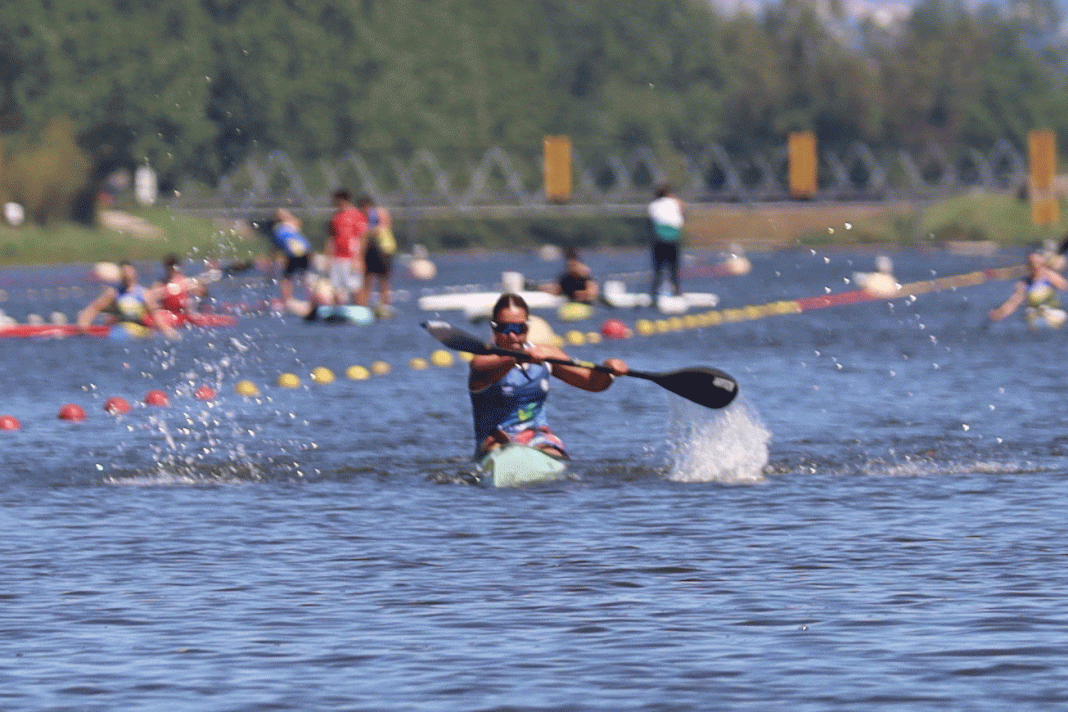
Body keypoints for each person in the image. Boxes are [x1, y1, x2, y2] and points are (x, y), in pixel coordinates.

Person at [468, 293, 628, 459]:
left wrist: (609, 370)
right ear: (494, 328)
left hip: (537, 438)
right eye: (504, 328)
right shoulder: (483, 360)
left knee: (553, 452)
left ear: (527, 327)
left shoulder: (546, 354)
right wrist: (517, 357)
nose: (512, 335)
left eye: (518, 328)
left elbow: (593, 383)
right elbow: (479, 368)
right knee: (501, 448)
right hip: (496, 443)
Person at [77, 260, 180, 339]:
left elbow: (156, 317)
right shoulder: (113, 293)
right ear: (121, 275)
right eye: (124, 272)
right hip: (119, 331)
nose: (127, 275)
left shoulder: (145, 294)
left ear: (134, 273)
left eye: (129, 272)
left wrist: (169, 332)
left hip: (139, 333)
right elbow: (94, 308)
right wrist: (83, 325)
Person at [988, 251, 1068, 328]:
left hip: (1054, 315)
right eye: (1032, 264)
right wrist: (1000, 313)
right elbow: (1013, 303)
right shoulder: (1024, 284)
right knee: (1030, 316)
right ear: (1029, 266)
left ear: (1042, 264)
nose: (1036, 266)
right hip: (1037, 318)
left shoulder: (1049, 276)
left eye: (1038, 263)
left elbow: (1065, 286)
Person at [355, 195, 396, 312]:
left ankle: (384, 305)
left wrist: (366, 233)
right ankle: (364, 307)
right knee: (367, 278)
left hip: (384, 249)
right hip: (370, 249)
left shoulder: (380, 212)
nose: (363, 209)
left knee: (384, 279)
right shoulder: (361, 217)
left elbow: (383, 227)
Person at [647, 183, 685, 303]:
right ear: (669, 193)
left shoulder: (652, 205)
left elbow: (652, 218)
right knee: (674, 268)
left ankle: (654, 291)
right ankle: (676, 290)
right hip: (673, 239)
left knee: (658, 268)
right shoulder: (675, 202)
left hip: (659, 239)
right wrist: (672, 197)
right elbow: (682, 207)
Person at [328, 190, 367, 304]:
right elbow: (332, 237)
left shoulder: (357, 215)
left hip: (351, 258)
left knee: (356, 287)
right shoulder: (335, 217)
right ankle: (337, 310)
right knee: (335, 287)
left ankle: (361, 308)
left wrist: (359, 258)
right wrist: (328, 256)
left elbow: (363, 237)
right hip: (337, 257)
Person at [271, 208, 312, 303]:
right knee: (290, 278)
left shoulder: (290, 225)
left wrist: (286, 215)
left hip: (302, 252)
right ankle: (288, 300)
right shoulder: (280, 229)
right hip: (297, 253)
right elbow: (276, 248)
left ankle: (308, 299)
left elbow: (298, 222)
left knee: (300, 277)